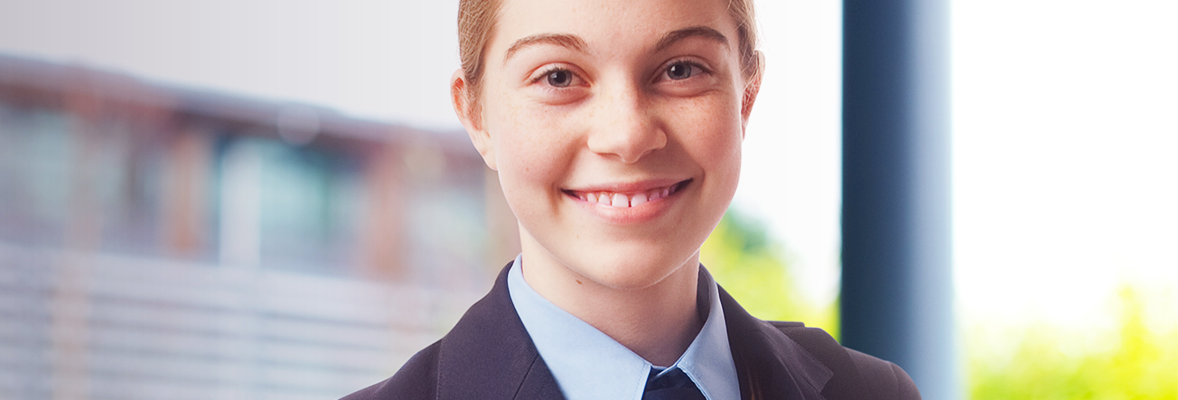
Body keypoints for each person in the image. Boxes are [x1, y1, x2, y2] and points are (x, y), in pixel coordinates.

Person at [344, 0, 919, 399]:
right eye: (559, 78)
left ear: (745, 96)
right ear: (476, 115)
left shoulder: (873, 393)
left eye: (680, 69)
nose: (627, 134)